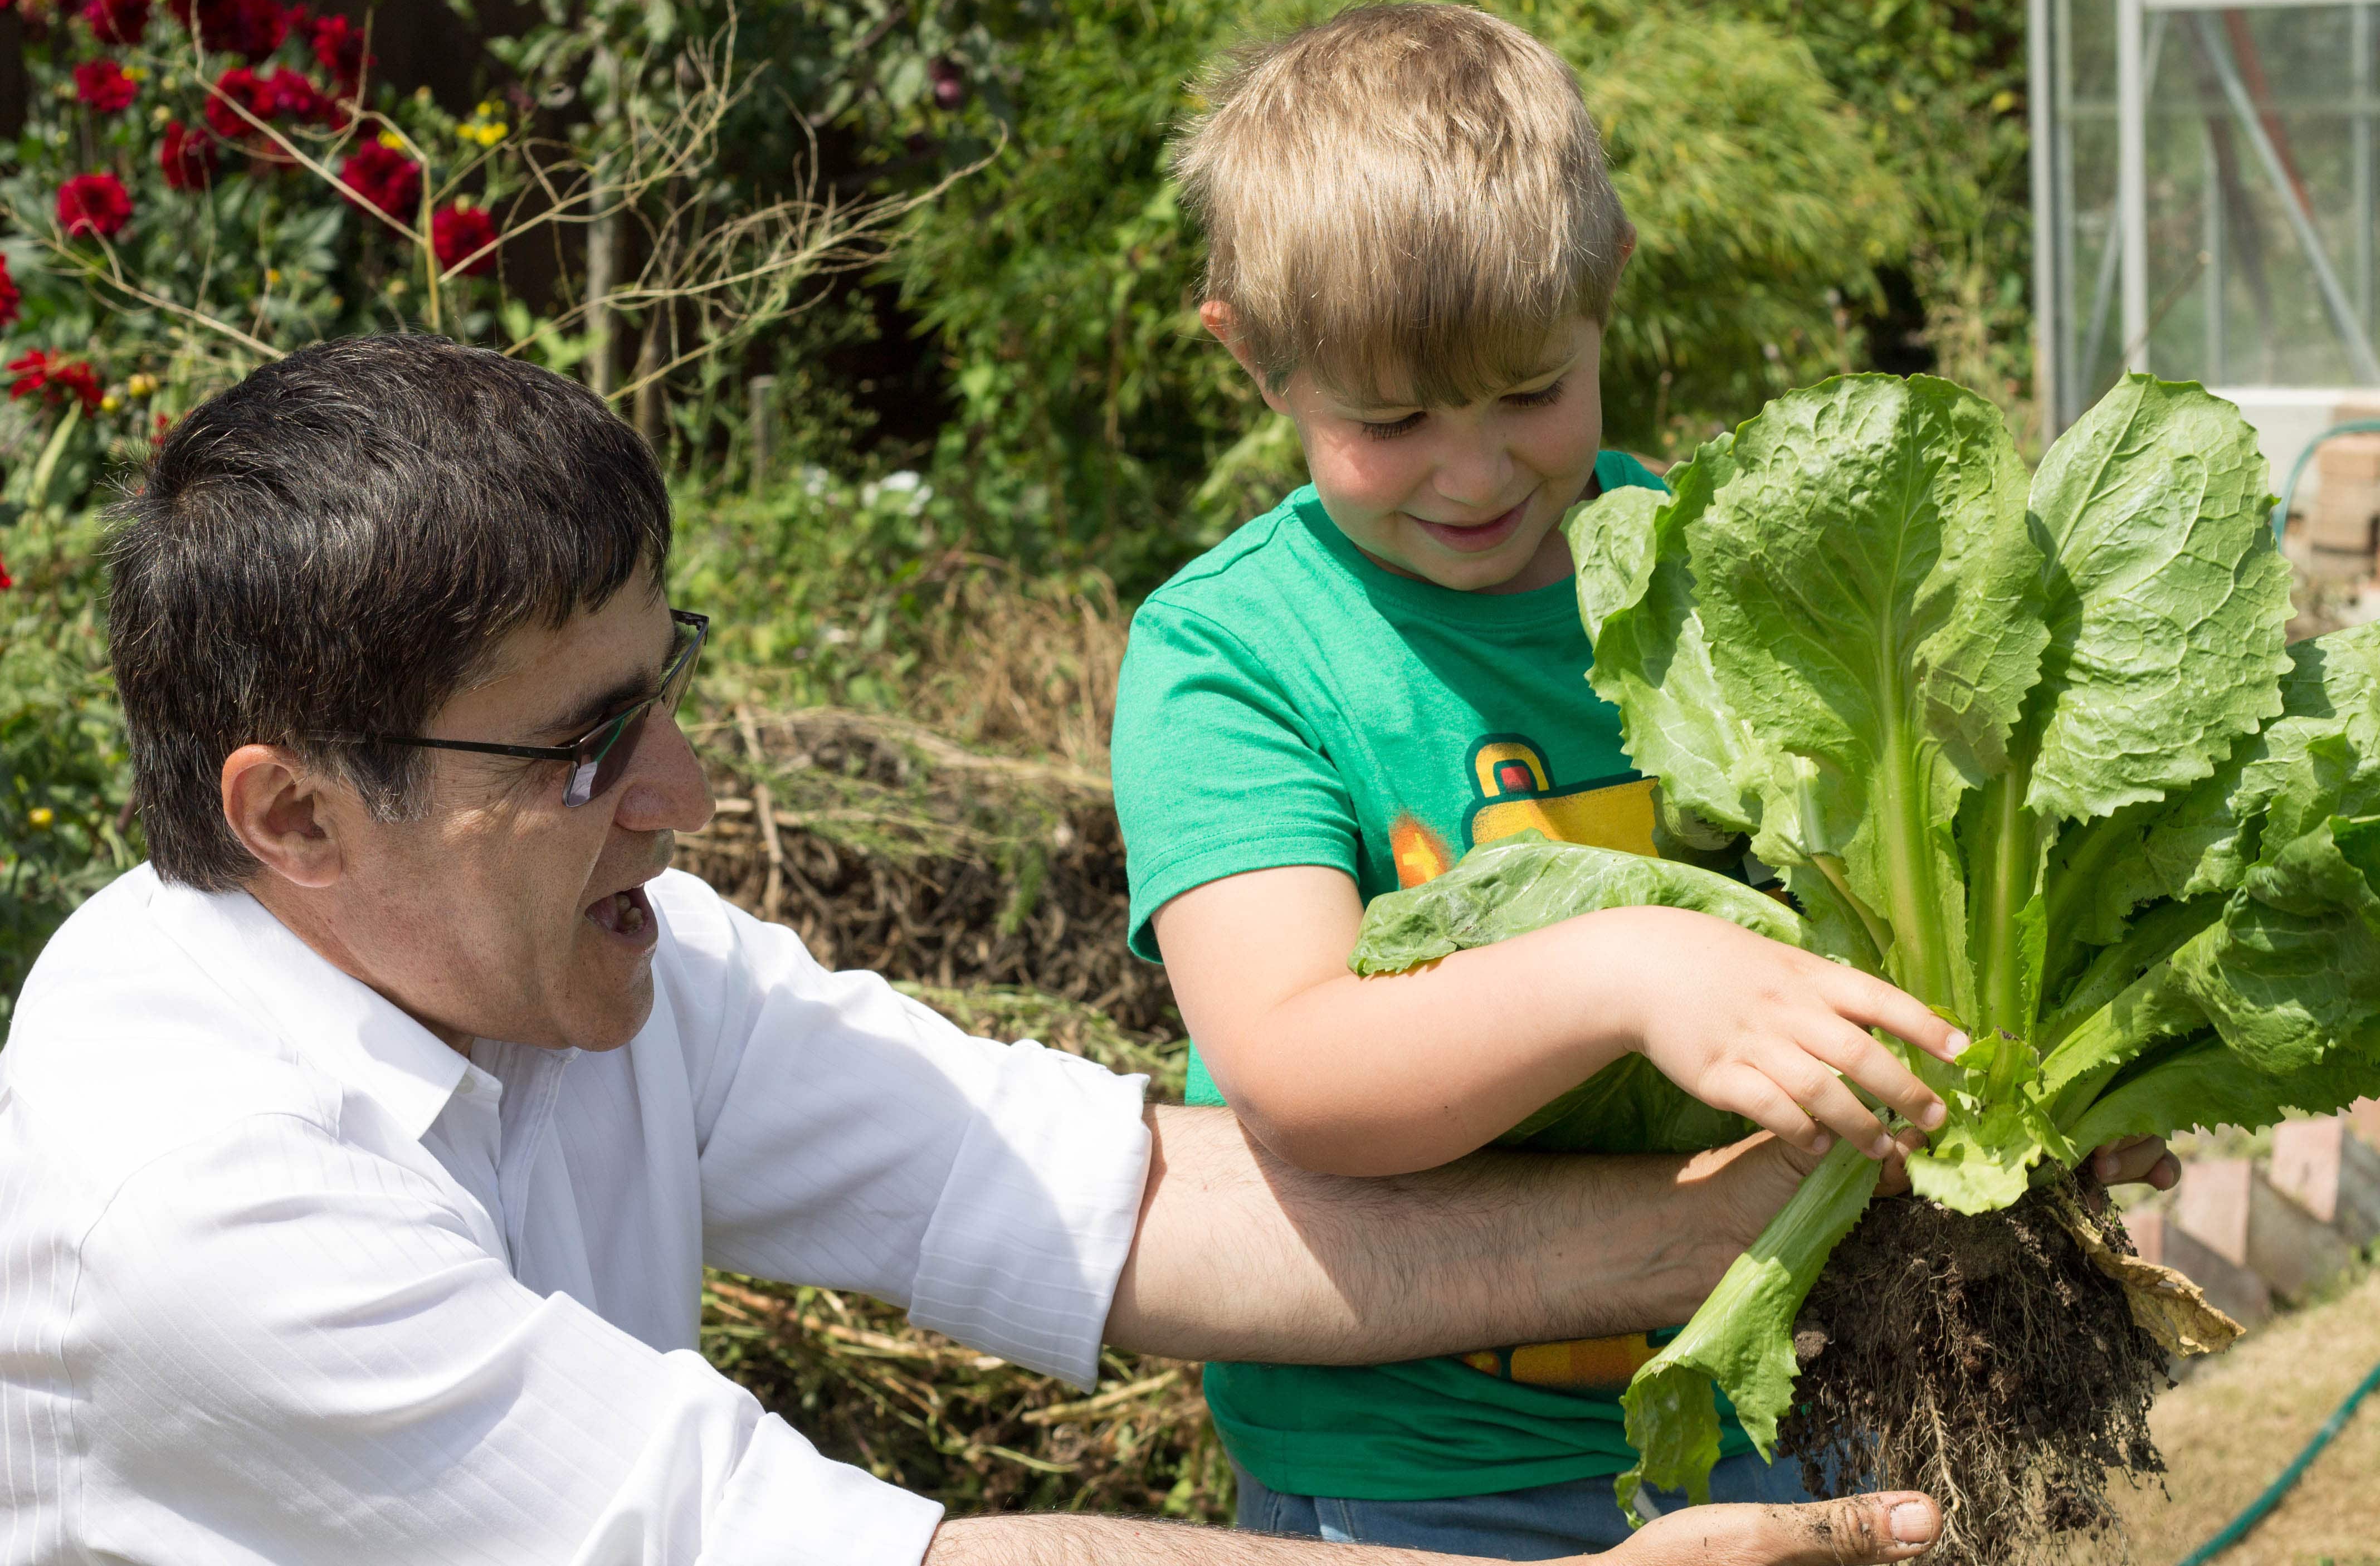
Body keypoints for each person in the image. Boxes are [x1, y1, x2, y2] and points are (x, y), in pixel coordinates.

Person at [0, 333, 1958, 1566]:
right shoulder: (195, 1208)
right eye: (588, 745)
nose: (683, 791)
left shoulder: (595, 965)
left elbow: (1112, 1201)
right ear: (294, 819)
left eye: (659, 689)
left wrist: (1775, 1218)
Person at [1109, 3, 2181, 1557]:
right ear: (1255, 359)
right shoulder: (1235, 656)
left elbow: (1886, 921)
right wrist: (1624, 972)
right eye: (1391, 422)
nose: (1473, 472)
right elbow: (1297, 1072)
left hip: (1812, 1397)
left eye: (1531, 392)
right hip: (1430, 1479)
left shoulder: (1711, 568)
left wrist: (2033, 1100)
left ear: (1607, 294)